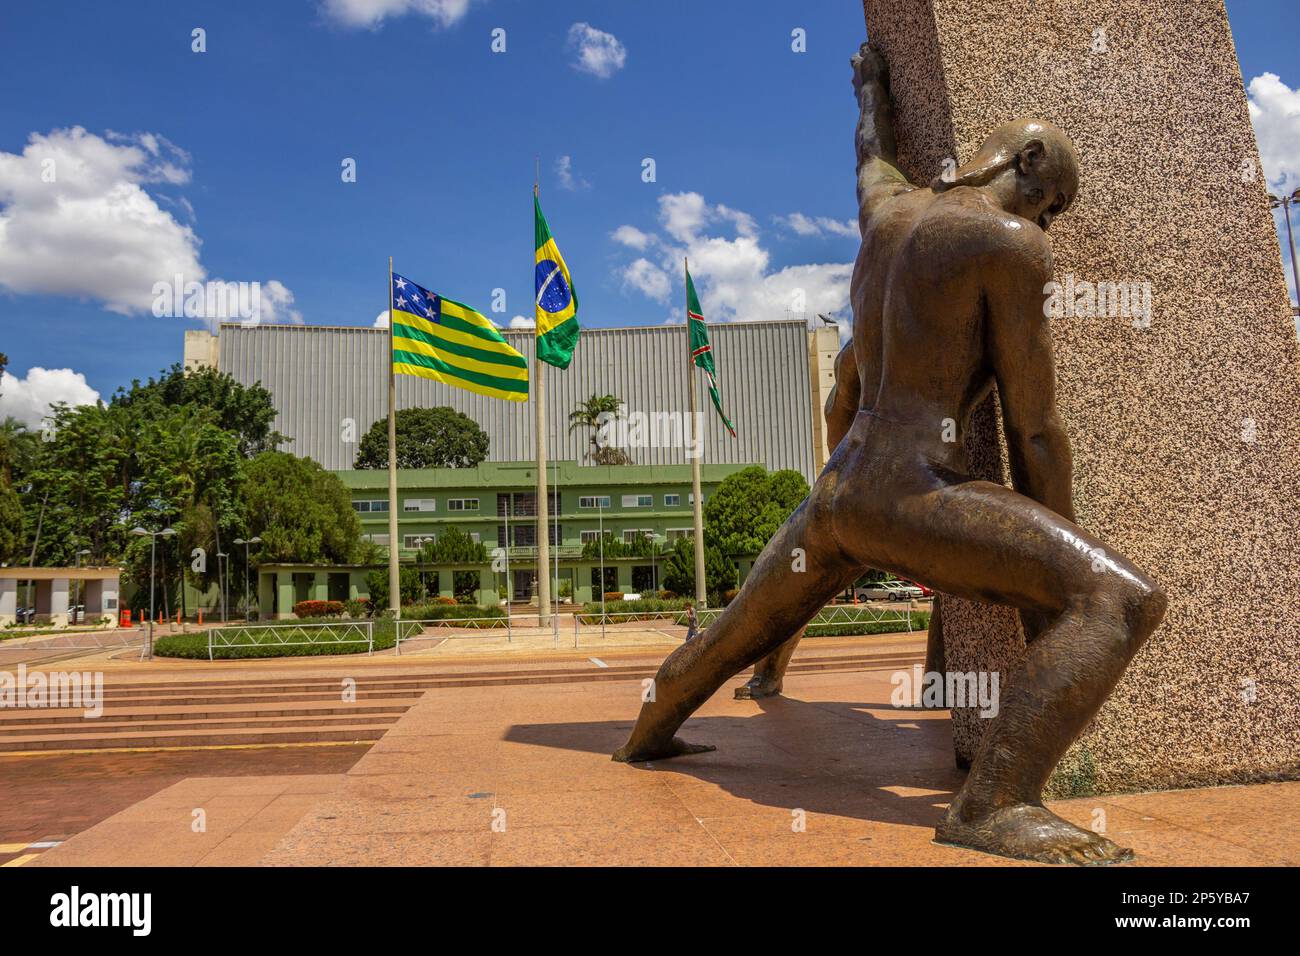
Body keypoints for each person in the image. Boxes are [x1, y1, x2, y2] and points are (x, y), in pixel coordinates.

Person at [613, 41, 1166, 866]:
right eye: (1049, 201)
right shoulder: (1009, 246)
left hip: (839, 495)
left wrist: (870, 89)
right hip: (913, 493)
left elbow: (868, 151)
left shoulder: (887, 210)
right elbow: (1037, 427)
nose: (1045, 220)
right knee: (1123, 601)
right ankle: (994, 807)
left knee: (733, 633)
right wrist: (1057, 571)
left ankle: (647, 733)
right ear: (1028, 161)